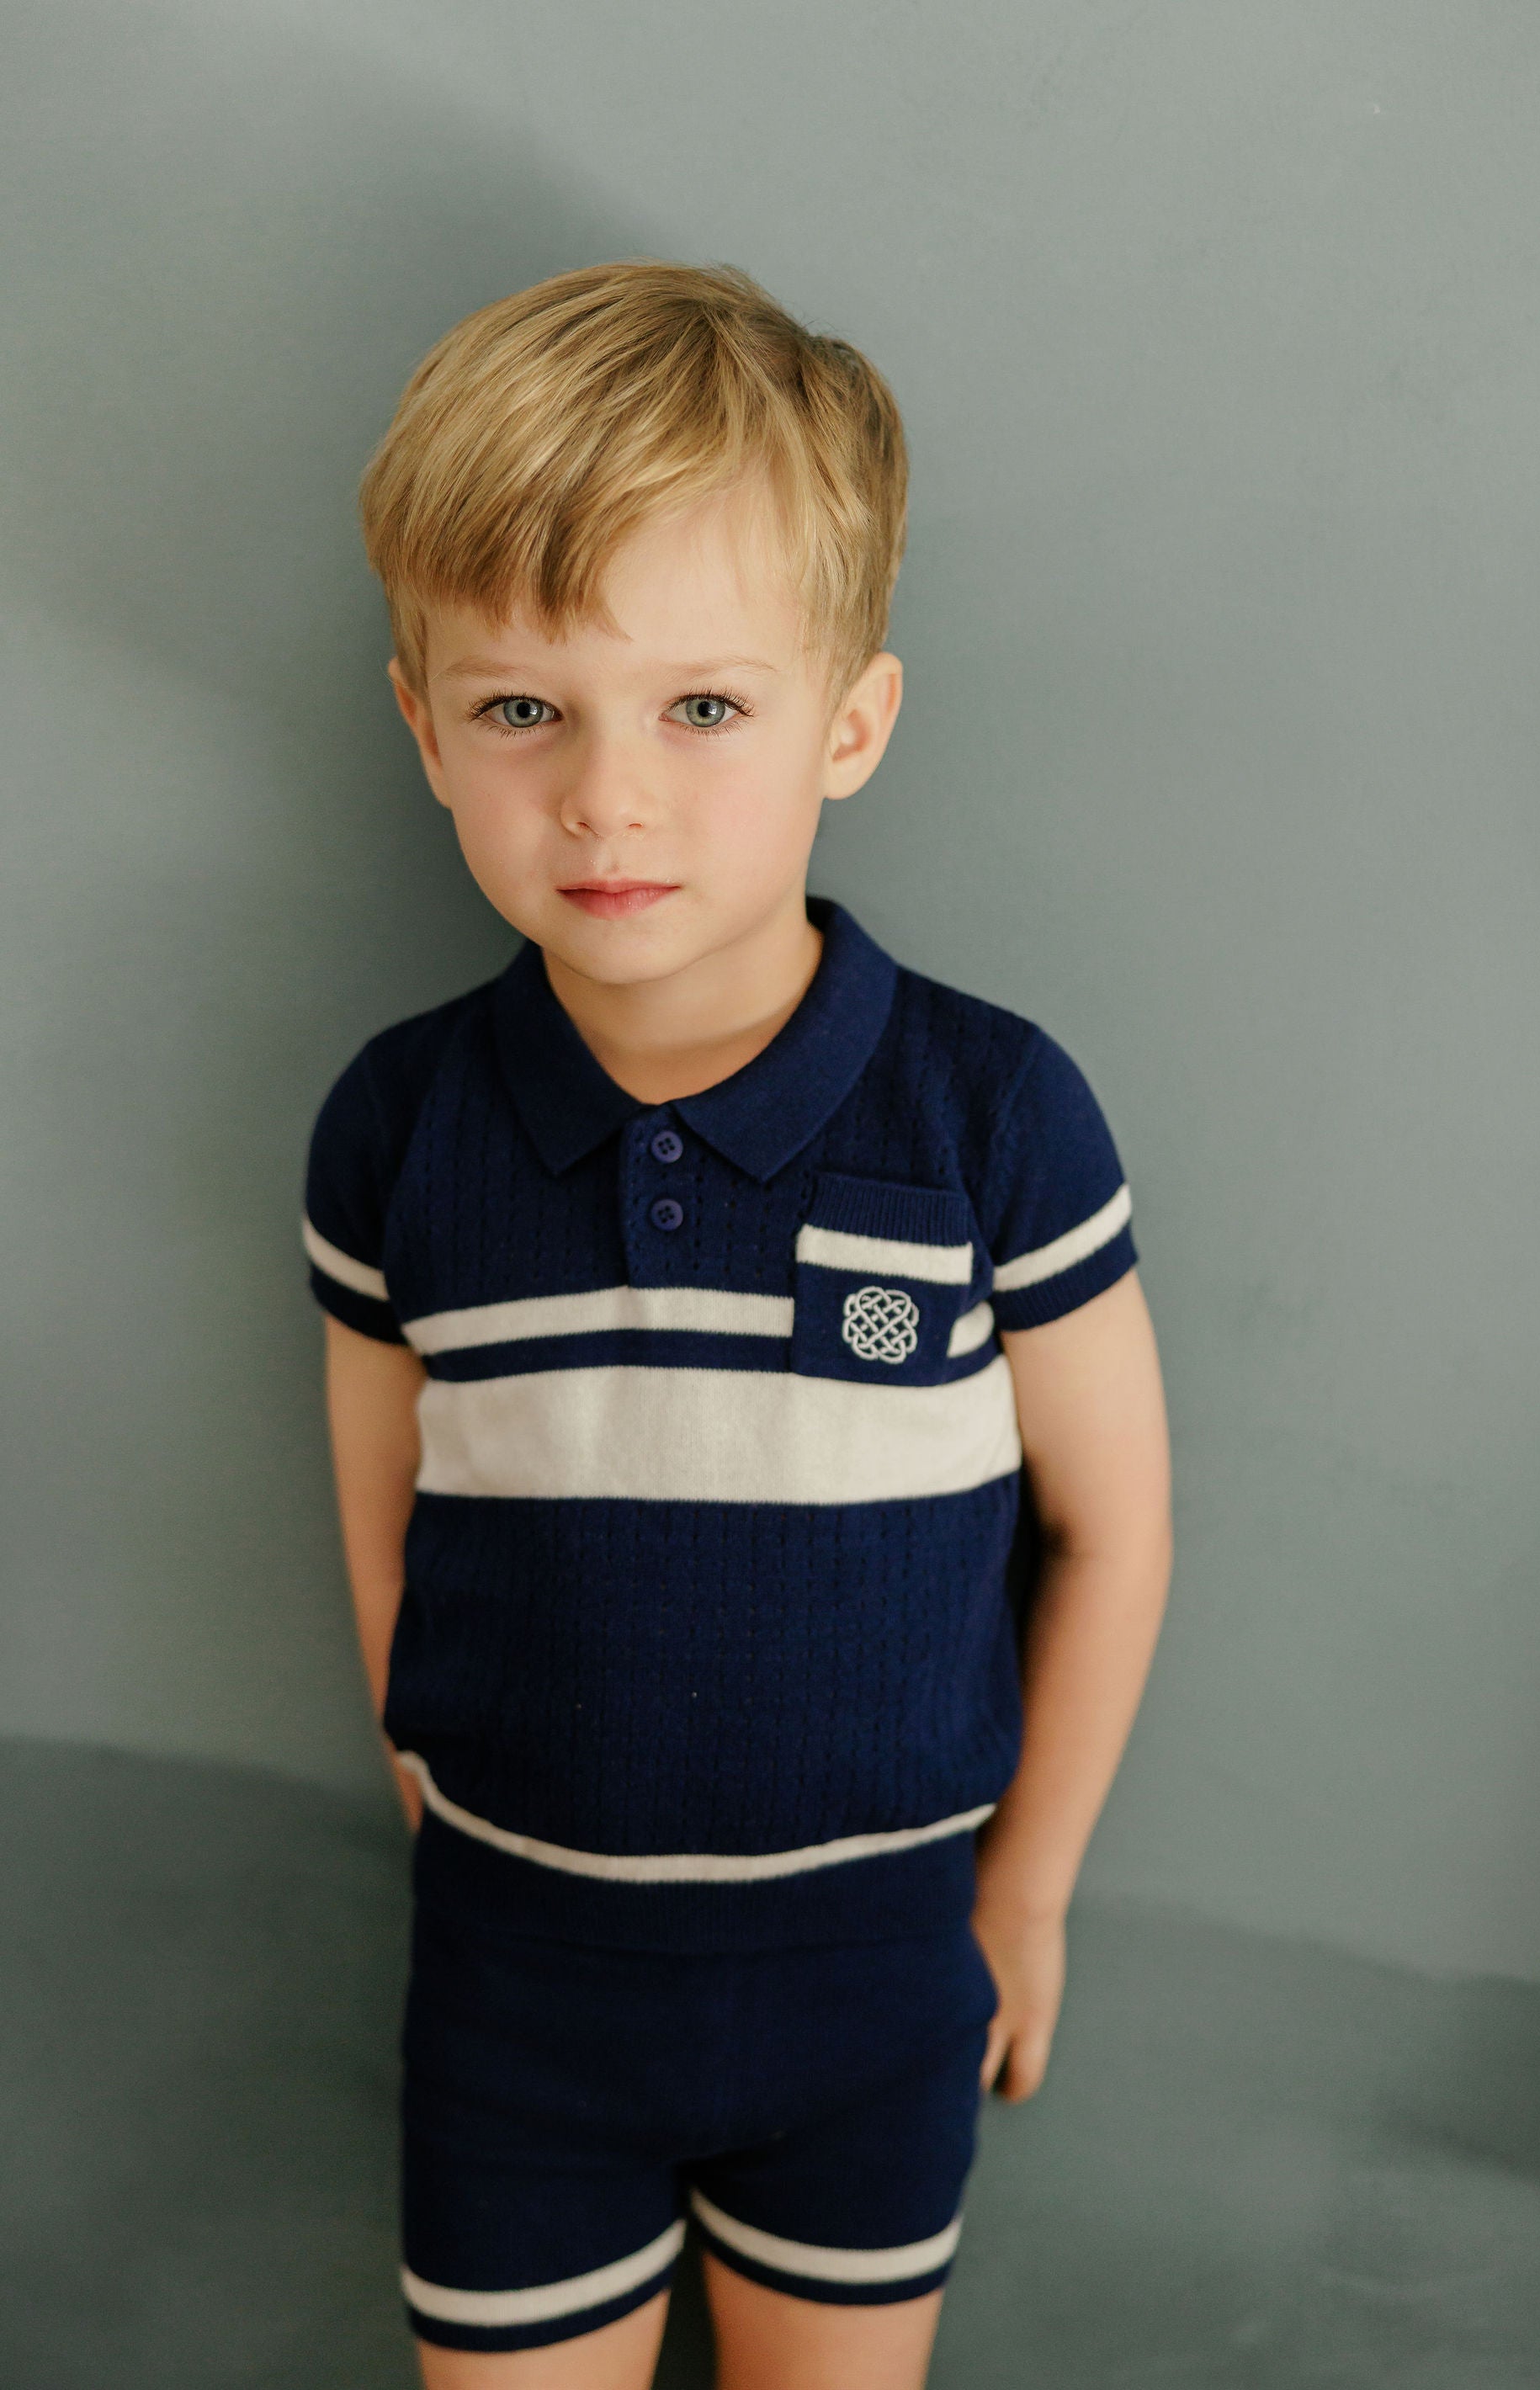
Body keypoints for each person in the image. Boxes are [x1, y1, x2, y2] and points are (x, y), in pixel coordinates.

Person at [304, 260, 1172, 2390]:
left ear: (847, 725)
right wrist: (436, 1795)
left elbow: (1114, 1527)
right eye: (523, 709)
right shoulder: (401, 1126)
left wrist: (1025, 1895)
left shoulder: (990, 1115)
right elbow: (386, 1511)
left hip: (874, 1984)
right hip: (515, 1988)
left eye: (701, 707)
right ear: (422, 728)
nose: (608, 797)